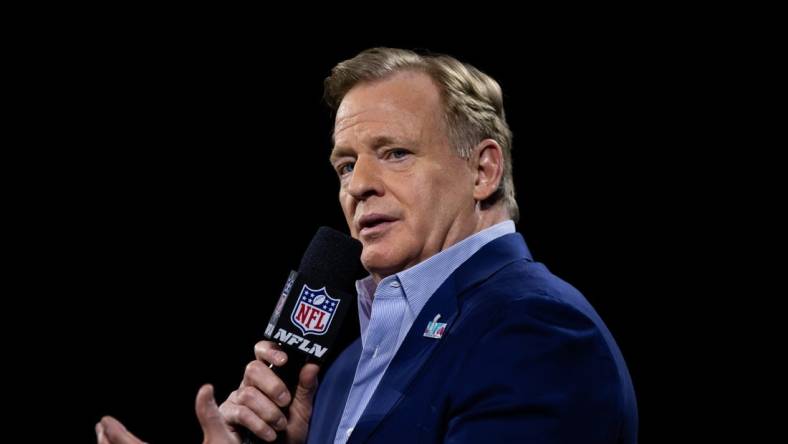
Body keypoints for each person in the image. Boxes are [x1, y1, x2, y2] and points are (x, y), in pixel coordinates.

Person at [98, 47, 638, 444]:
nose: (358, 185)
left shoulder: (538, 329)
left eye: (396, 152)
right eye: (346, 164)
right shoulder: (341, 368)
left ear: (483, 169)